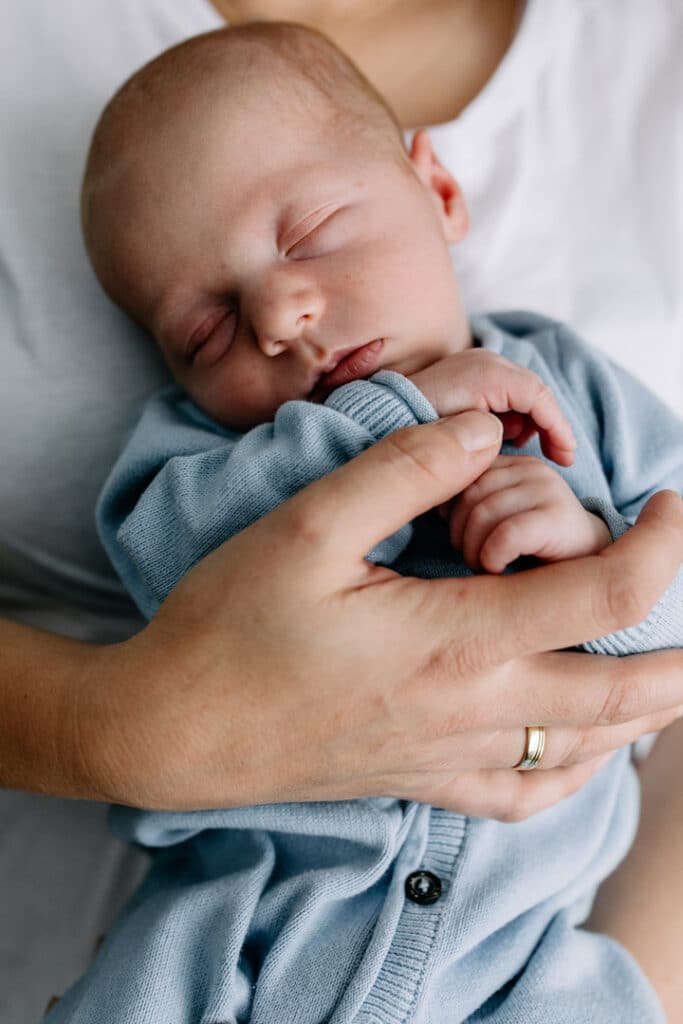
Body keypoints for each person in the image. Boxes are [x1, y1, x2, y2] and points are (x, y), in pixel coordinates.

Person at [1, 2, 681, 1021]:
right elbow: (174, 566)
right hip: (241, 930)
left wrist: (585, 553)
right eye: (206, 329)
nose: (277, 317)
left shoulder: (573, 393)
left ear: (437, 187)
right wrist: (389, 418)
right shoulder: (203, 452)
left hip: (516, 950)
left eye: (312, 234)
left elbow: (666, 614)